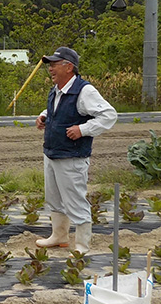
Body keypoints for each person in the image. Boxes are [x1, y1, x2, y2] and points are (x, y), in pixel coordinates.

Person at [35, 46, 117, 254]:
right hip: (52, 152)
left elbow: (109, 115)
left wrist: (83, 129)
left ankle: (82, 245)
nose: (50, 69)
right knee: (54, 198)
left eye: (54, 64)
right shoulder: (56, 89)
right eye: (50, 65)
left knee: (75, 201)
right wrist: (44, 116)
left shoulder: (84, 91)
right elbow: (58, 110)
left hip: (72, 156)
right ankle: (59, 236)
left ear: (69, 67)